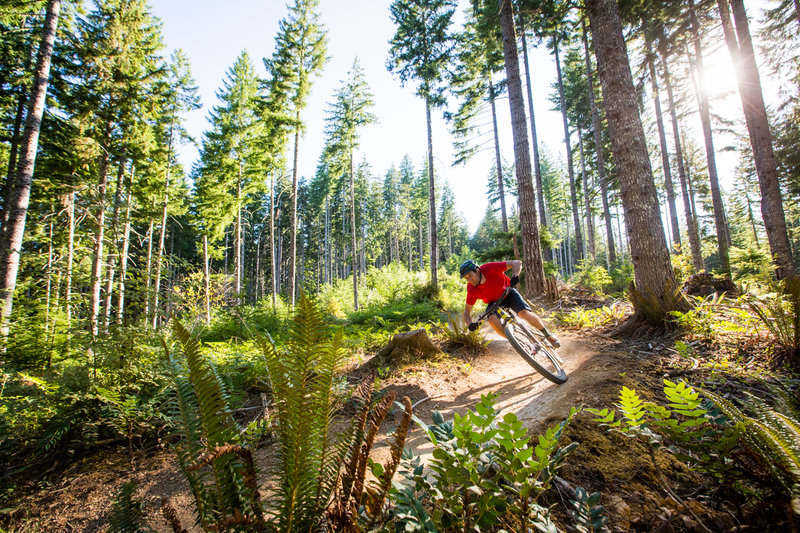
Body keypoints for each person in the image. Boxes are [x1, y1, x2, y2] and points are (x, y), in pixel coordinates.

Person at [459, 259, 561, 348]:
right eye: (466, 278)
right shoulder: (471, 289)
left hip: (508, 292)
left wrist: (515, 275)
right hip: (493, 303)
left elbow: (516, 262)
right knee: (491, 320)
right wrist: (470, 324)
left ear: (477, 270)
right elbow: (467, 312)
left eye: (470, 276)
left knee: (523, 313)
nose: (469, 280)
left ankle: (548, 335)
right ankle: (517, 341)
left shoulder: (489, 268)